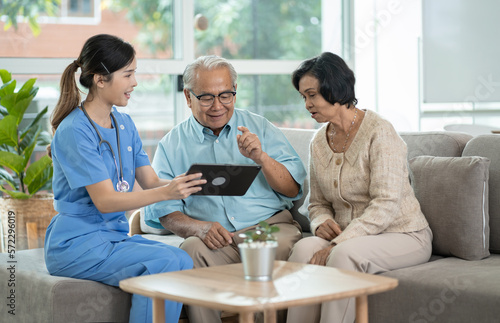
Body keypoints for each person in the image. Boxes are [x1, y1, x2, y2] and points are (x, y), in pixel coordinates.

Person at [44, 34, 206, 323]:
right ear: (100, 79)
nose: (135, 83)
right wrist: (167, 193)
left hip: (113, 237)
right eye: (128, 74)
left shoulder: (124, 124)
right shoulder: (74, 130)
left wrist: (186, 183)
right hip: (76, 243)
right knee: (166, 262)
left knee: (181, 258)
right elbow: (106, 201)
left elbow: (151, 181)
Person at [144, 55, 307, 323]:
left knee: (276, 255)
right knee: (191, 249)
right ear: (188, 97)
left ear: (235, 93)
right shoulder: (171, 145)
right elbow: (164, 210)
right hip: (216, 241)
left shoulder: (260, 127)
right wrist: (199, 228)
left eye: (226, 95)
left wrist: (262, 158)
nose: (217, 106)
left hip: (269, 230)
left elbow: (292, 190)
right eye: (206, 97)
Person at [286, 52, 433, 323]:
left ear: (335, 89)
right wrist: (320, 223)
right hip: (351, 237)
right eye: (303, 97)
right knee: (303, 251)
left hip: (403, 234)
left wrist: (338, 242)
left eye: (312, 95)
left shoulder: (380, 132)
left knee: (343, 255)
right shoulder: (318, 142)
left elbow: (386, 204)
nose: (307, 104)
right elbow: (316, 203)